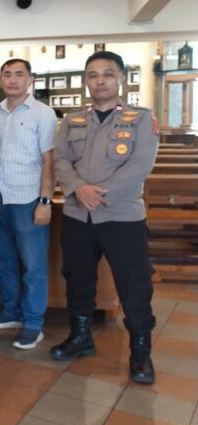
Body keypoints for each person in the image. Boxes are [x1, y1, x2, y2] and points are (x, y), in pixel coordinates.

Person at [52, 51, 158, 384]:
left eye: (108, 74)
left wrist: (96, 194)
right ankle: (80, 336)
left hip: (122, 216)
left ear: (121, 78)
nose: (100, 81)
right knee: (77, 278)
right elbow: (60, 160)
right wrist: (78, 189)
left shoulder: (141, 119)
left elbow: (140, 165)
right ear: (87, 81)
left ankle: (140, 352)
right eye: (93, 75)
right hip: (77, 215)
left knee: (134, 283)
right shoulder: (72, 120)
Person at [0, 59, 58, 350]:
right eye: (7, 74)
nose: (13, 79)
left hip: (28, 201)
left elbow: (49, 161)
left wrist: (45, 201)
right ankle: (11, 311)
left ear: (30, 79)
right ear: (0, 80)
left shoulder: (43, 114)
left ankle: (32, 323)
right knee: (2, 262)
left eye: (19, 74)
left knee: (33, 266)